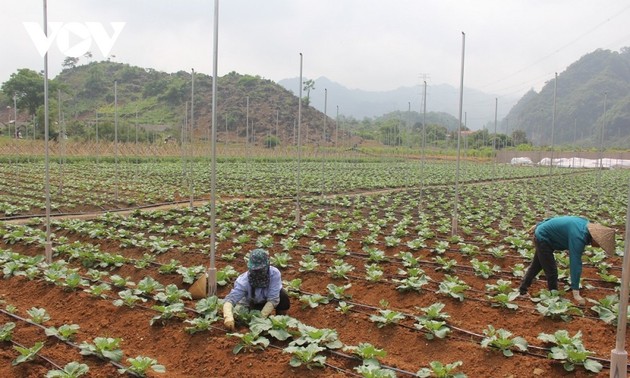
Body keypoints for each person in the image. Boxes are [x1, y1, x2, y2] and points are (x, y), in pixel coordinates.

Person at [518, 216, 615, 304]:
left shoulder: (584, 223)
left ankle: (522, 290)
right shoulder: (578, 237)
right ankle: (554, 299)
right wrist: (576, 291)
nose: (597, 246)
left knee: (537, 265)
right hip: (543, 237)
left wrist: (539, 224)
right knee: (551, 271)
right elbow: (575, 263)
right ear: (595, 238)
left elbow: (560, 219)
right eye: (599, 244)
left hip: (545, 233)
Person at [223, 249, 291, 330]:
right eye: (255, 270)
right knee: (243, 319)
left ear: (267, 265)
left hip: (268, 302)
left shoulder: (274, 274)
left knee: (283, 295)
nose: (257, 273)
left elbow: (273, 299)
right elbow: (231, 299)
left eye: (260, 270)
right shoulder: (243, 281)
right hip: (252, 305)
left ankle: (280, 320)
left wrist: (262, 317)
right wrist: (228, 316)